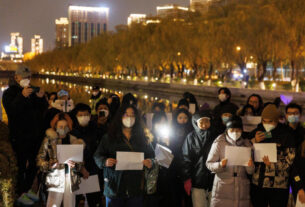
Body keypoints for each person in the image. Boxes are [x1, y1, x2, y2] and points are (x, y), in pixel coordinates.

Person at [2, 66, 48, 204]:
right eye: (24, 77)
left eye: (29, 77)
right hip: (19, 137)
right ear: (16, 77)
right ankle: (19, 193)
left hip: (34, 136)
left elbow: (41, 111)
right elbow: (11, 111)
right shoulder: (9, 93)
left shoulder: (33, 91)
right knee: (20, 166)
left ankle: (26, 190)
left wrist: (41, 99)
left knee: (34, 165)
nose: (27, 80)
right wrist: (22, 96)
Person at [94, 104, 154, 207]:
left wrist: (150, 162)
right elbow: (98, 155)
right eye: (126, 115)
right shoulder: (109, 137)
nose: (129, 118)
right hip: (114, 186)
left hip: (135, 187)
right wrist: (105, 161)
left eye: (132, 115)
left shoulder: (143, 138)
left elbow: (152, 156)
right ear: (120, 117)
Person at [249, 104, 296, 207]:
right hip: (258, 183)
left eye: (270, 121)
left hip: (278, 185)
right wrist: (255, 141)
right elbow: (247, 153)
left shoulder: (286, 135)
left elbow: (290, 161)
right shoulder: (258, 133)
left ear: (277, 120)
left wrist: (272, 165)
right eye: (264, 121)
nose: (267, 124)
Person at [36, 113, 87, 207]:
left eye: (65, 126)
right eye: (60, 126)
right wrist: (49, 165)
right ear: (55, 126)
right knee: (53, 204)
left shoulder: (73, 140)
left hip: (70, 178)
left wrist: (75, 166)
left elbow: (80, 162)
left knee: (70, 204)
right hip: (55, 178)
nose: (63, 128)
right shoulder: (49, 140)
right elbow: (39, 159)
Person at [206, 116, 254, 207]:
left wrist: (250, 166)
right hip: (223, 190)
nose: (235, 133)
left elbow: (250, 171)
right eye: (232, 130)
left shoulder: (246, 144)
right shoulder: (219, 142)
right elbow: (209, 164)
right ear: (227, 130)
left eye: (238, 130)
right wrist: (220, 164)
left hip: (241, 189)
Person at [181, 110, 219, 207]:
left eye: (207, 121)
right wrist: (187, 178)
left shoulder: (216, 137)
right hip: (197, 180)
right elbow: (186, 159)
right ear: (195, 123)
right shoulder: (190, 137)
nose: (204, 124)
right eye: (201, 122)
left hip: (214, 180)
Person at [70, 104, 103, 207]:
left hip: (94, 170)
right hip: (77, 171)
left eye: (86, 114)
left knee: (94, 200)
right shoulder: (72, 132)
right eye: (81, 115)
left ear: (90, 115)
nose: (84, 117)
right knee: (74, 200)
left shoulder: (96, 129)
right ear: (76, 116)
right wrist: (81, 168)